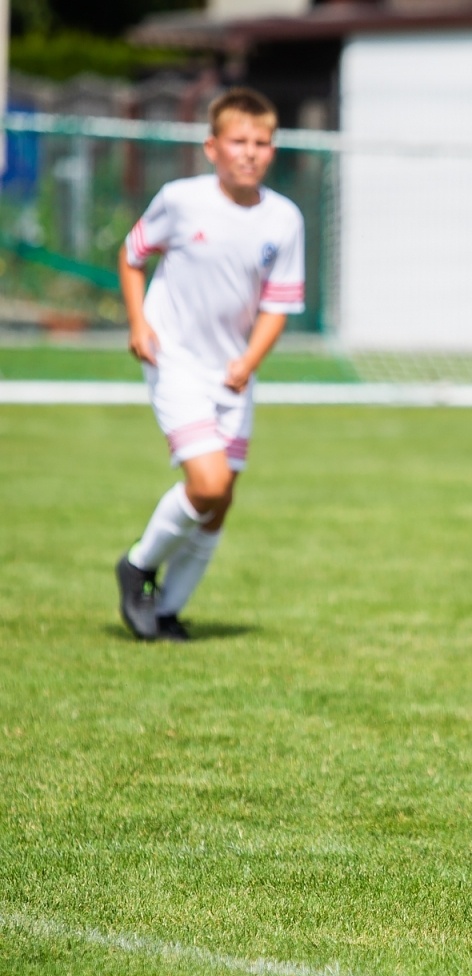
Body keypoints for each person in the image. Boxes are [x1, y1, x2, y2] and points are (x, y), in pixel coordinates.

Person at [114, 87, 306, 642]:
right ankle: (138, 566)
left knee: (220, 503)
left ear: (273, 149)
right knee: (208, 483)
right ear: (212, 148)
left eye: (262, 142)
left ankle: (167, 611)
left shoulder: (283, 219)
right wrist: (138, 324)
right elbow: (131, 256)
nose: (250, 152)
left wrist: (248, 360)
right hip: (173, 358)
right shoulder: (181, 199)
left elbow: (277, 304)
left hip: (231, 371)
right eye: (238, 141)